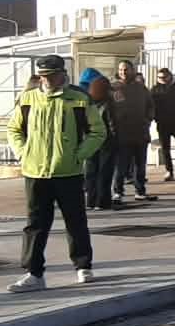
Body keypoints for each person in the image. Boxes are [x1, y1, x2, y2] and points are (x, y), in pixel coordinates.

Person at [6, 54, 106, 291]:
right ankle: (34, 273)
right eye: (43, 76)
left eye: (51, 76)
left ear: (63, 74)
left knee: (76, 221)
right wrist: (23, 152)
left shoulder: (79, 99)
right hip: (35, 172)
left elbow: (98, 131)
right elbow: (13, 129)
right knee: (36, 224)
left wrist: (78, 155)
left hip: (67, 171)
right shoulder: (28, 99)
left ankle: (83, 265)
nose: (47, 80)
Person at [110, 59, 156, 202]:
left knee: (140, 165)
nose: (123, 72)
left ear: (133, 70)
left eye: (126, 69)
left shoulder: (141, 88)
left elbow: (151, 106)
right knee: (121, 165)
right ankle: (118, 192)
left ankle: (140, 191)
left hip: (141, 133)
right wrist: (113, 126)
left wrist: (148, 120)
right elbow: (108, 110)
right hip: (122, 133)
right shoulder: (114, 88)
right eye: (121, 69)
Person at [79, 69, 120, 212]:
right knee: (105, 171)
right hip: (107, 141)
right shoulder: (109, 103)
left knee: (91, 171)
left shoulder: (86, 102)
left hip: (90, 140)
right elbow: (113, 124)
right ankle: (102, 201)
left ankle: (90, 200)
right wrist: (116, 139)